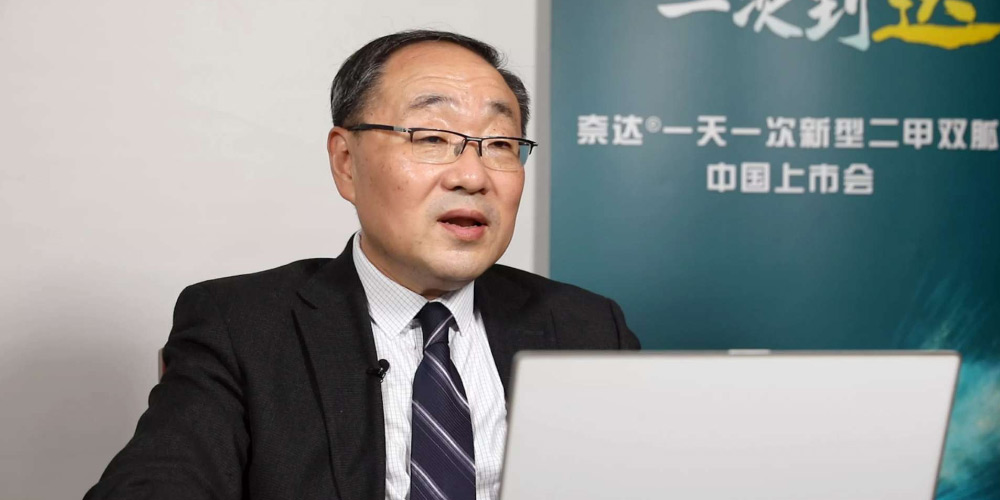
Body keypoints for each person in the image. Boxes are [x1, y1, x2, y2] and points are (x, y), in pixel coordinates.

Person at [84, 29, 639, 500]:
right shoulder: (242, 325)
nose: (472, 176)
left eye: (498, 144)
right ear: (346, 162)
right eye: (432, 137)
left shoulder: (587, 327)